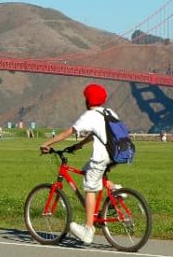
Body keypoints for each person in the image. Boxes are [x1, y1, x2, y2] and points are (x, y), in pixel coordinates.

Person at [40, 83, 120, 245]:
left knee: (90, 187)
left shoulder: (90, 115)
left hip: (102, 157)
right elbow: (95, 133)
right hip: (117, 154)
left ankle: (88, 230)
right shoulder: (109, 112)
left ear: (88, 100)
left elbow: (68, 132)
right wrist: (79, 145)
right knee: (87, 170)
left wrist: (48, 143)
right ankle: (115, 191)